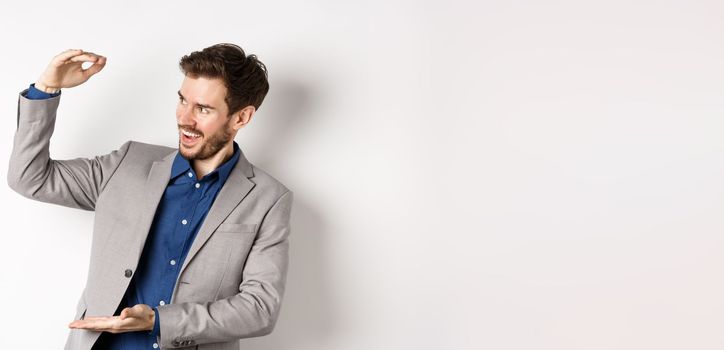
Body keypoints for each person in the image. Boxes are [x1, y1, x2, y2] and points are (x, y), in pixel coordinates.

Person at [7, 44, 293, 350]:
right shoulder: (126, 164)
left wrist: (158, 321)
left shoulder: (268, 199)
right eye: (183, 101)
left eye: (203, 109)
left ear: (241, 117)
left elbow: (260, 309)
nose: (185, 118)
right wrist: (46, 89)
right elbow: (29, 178)